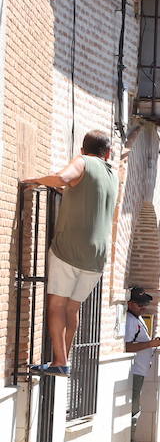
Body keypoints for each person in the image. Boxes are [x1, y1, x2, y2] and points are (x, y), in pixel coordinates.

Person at [21, 129, 119, 376]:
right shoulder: (112, 175)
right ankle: (64, 358)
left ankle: (59, 362)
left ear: (82, 150)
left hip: (69, 250)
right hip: (97, 258)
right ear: (107, 153)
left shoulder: (84, 162)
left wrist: (36, 180)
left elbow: (64, 178)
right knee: (72, 309)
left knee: (56, 306)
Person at [123, 288, 160, 442]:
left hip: (140, 370)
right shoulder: (130, 321)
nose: (143, 308)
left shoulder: (136, 318)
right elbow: (127, 346)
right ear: (130, 303)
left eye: (145, 305)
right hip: (135, 371)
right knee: (134, 409)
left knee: (136, 408)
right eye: (140, 305)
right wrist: (150, 344)